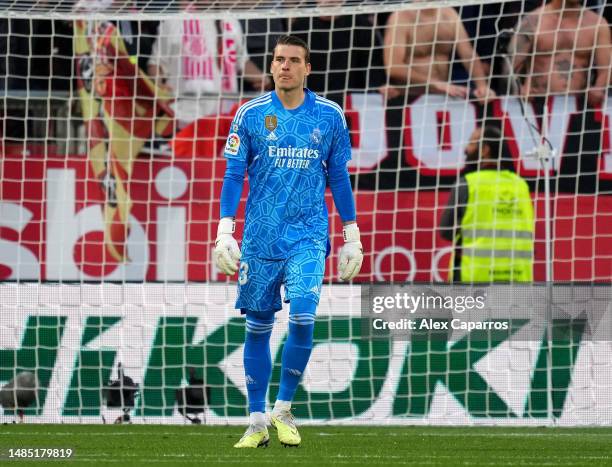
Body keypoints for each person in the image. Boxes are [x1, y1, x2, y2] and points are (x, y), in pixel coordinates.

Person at [213, 35, 363, 448]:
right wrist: (225, 229)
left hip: (308, 236)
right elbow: (233, 175)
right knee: (258, 327)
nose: (285, 66)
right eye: (279, 59)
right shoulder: (250, 114)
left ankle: (283, 407)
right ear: (272, 64)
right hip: (260, 237)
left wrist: (352, 234)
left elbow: (338, 177)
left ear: (307, 68)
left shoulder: (330, 115)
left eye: (294, 61)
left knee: (302, 316)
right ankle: (258, 420)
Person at [147, 1, 272, 129]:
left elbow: (241, 61)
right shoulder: (175, 22)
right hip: (184, 117)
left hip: (224, 118)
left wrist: (263, 78)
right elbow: (156, 63)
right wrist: (158, 85)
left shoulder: (231, 22)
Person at [439, 125, 534, 283]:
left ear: (485, 150)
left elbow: (446, 232)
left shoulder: (467, 184)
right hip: (517, 281)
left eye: (471, 143)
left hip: (474, 282)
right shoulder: (521, 186)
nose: (465, 149)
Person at [510, 0, 611, 107]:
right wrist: (520, 88)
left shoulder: (597, 24)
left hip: (579, 107)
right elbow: (510, 65)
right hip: (537, 105)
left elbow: (607, 68)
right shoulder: (533, 21)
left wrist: (599, 88)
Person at [384, 6, 495, 100]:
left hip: (443, 96)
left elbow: (468, 54)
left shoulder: (449, 14)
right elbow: (394, 67)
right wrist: (436, 83)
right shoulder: (401, 18)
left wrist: (482, 86)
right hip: (410, 97)